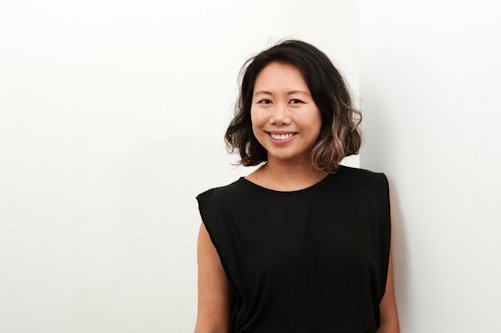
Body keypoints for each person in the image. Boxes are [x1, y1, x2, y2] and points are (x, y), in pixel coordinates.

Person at [194, 40, 399, 333]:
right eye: (265, 101)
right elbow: (211, 327)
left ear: (325, 108)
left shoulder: (370, 194)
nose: (279, 117)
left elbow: (387, 319)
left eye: (296, 101)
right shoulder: (221, 212)